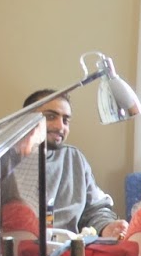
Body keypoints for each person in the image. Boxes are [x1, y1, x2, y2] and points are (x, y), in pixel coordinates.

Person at [10, 89, 127, 237]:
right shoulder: (3, 163)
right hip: (20, 246)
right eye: (50, 117)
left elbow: (95, 209)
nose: (60, 127)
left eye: (65, 120)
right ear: (26, 120)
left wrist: (106, 226)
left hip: (69, 247)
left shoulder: (74, 159)